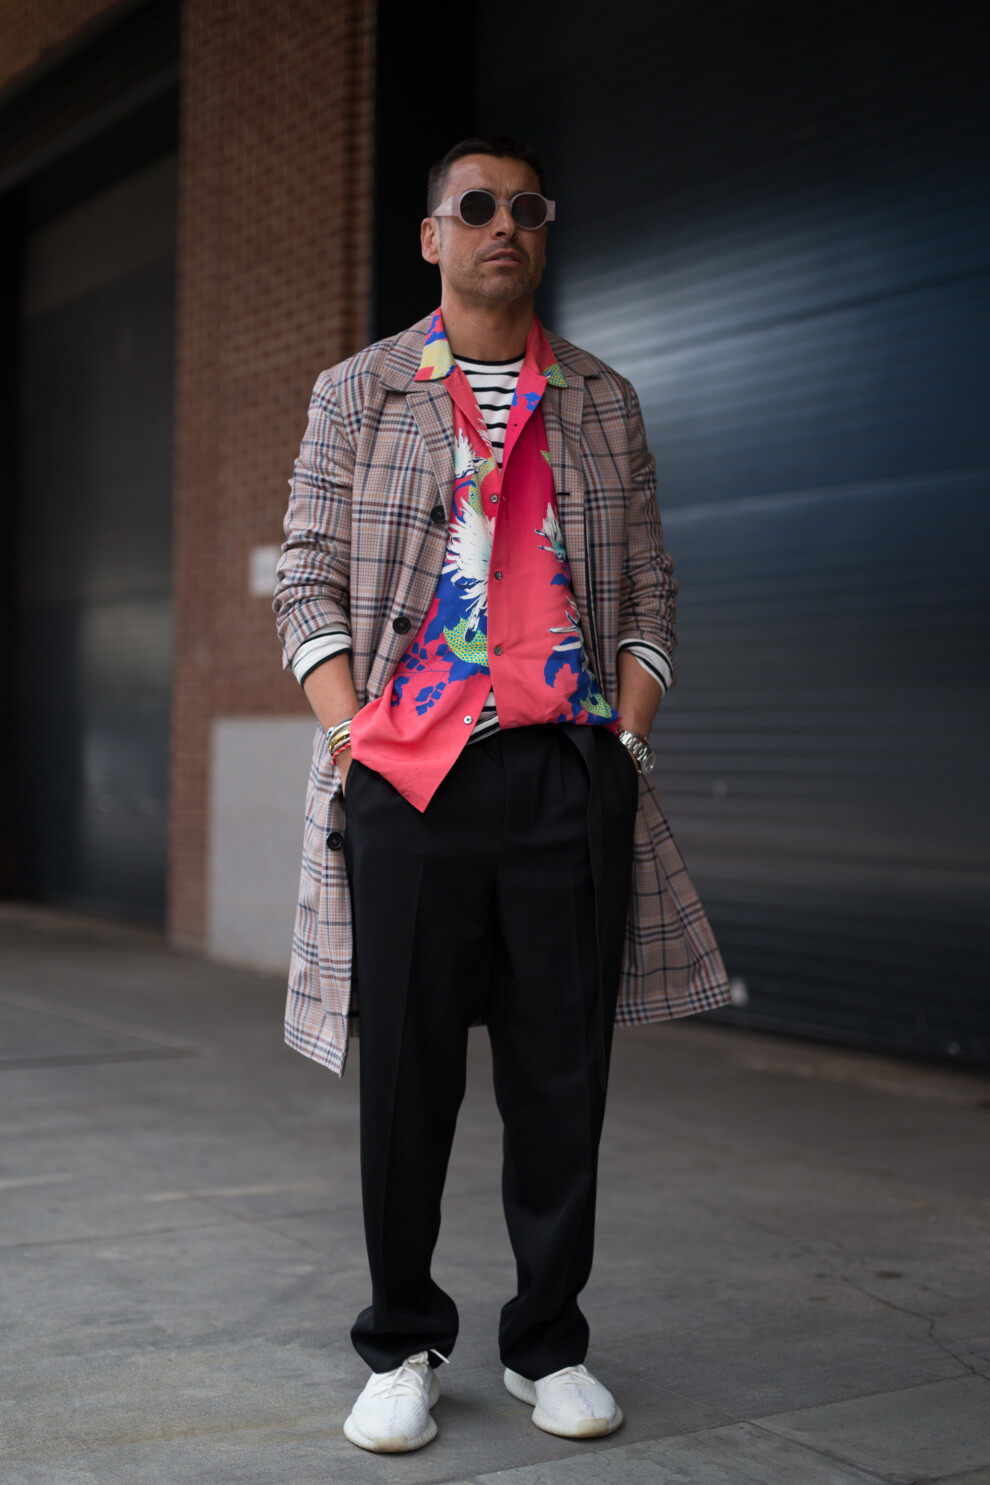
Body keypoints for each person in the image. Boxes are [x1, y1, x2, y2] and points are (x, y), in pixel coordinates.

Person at [274, 135, 730, 1455]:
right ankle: (401, 1342)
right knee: (407, 1077)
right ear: (432, 236)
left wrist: (623, 743)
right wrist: (350, 733)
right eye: (474, 206)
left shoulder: (602, 398)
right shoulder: (360, 391)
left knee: (559, 1073)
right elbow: (306, 573)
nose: (502, 225)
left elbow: (650, 587)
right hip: (408, 774)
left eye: (525, 207)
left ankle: (546, 1342)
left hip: (564, 771)